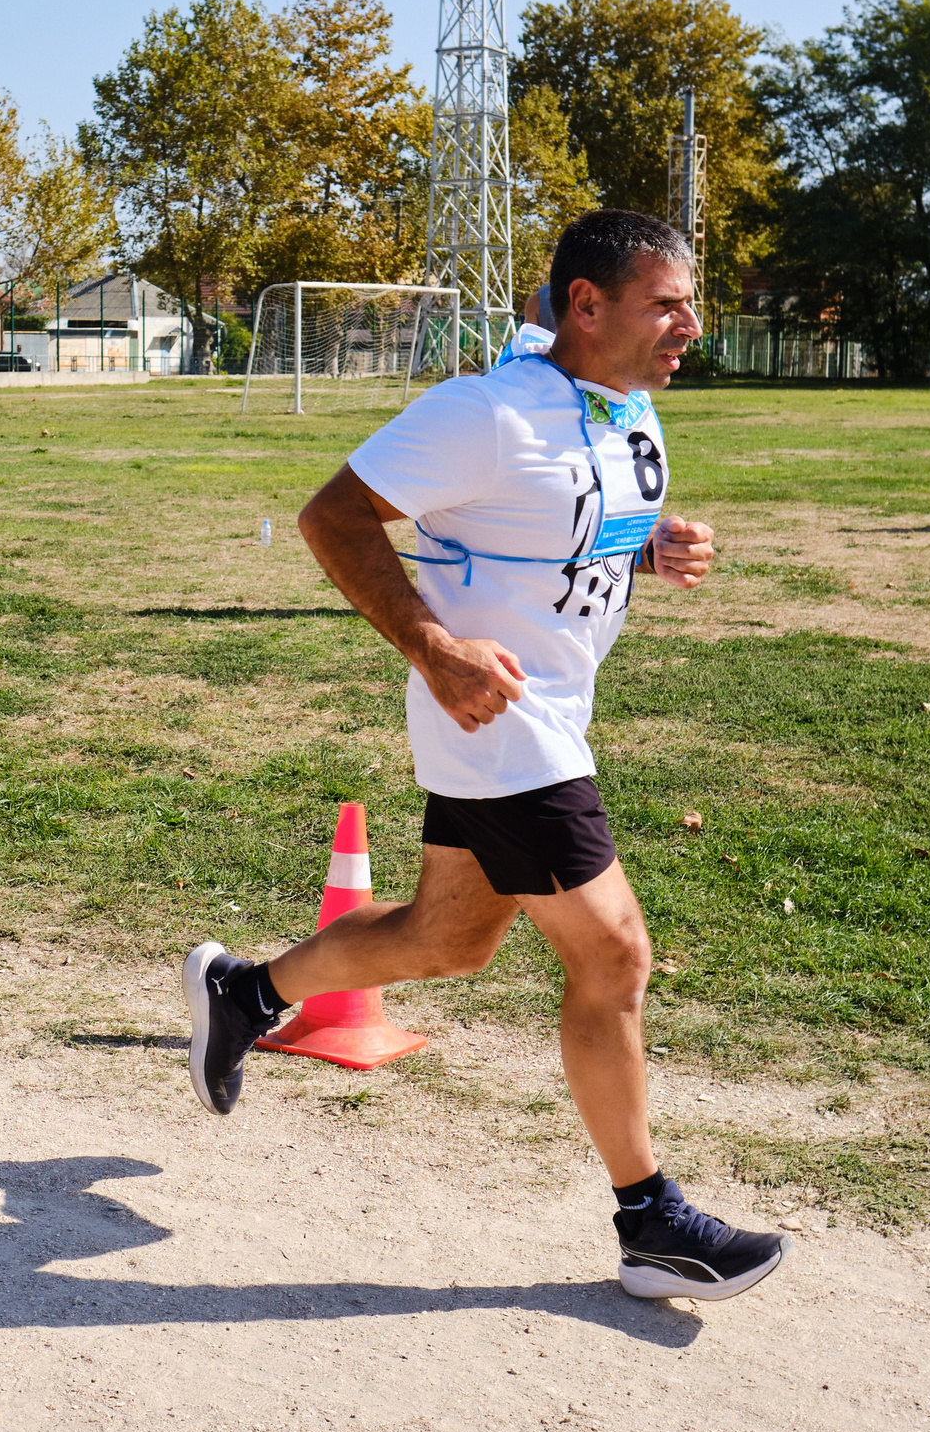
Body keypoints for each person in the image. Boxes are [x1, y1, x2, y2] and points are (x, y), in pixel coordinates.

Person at [180, 209, 792, 1304]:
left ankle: (245, 990)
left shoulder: (630, 411)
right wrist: (434, 647)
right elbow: (333, 517)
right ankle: (652, 1223)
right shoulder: (485, 411)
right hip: (498, 719)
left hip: (545, 711)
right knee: (612, 957)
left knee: (447, 938)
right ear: (584, 304)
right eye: (666, 302)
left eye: (687, 301)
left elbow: (557, 527)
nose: (689, 323)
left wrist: (650, 549)